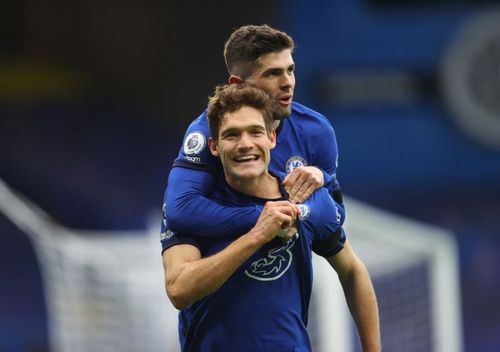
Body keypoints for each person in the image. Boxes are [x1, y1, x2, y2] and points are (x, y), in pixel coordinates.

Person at [162, 84, 381, 352]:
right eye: (232, 135)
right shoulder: (194, 210)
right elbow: (179, 289)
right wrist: (256, 235)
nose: (245, 144)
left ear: (272, 138)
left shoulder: (307, 200)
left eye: (255, 132)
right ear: (214, 146)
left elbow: (352, 271)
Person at [162, 24, 345, 242]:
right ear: (238, 85)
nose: (288, 83)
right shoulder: (210, 131)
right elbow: (180, 210)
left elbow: (337, 217)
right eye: (272, 73)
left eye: (290, 70)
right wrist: (268, 218)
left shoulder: (316, 130)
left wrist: (322, 177)